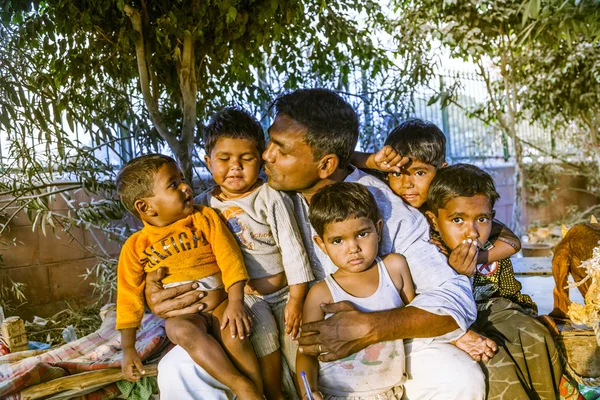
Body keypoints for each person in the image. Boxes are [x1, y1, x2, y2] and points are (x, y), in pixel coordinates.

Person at [147, 89, 484, 399]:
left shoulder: (384, 209)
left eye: (282, 150)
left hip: (380, 350)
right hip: (270, 341)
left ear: (326, 165)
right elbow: (180, 251)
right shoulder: (258, 195)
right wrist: (163, 293)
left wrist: (370, 326)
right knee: (179, 370)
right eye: (270, 143)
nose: (265, 156)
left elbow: (453, 300)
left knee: (457, 375)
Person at [115, 154, 263, 400]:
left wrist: (236, 303)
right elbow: (128, 297)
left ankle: (257, 392)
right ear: (145, 207)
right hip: (183, 316)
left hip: (220, 304)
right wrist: (128, 348)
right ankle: (240, 385)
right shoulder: (135, 246)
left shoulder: (203, 218)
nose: (185, 186)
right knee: (183, 332)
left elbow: (230, 259)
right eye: (173, 184)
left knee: (236, 335)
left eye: (182, 179)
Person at [196, 107, 314, 400]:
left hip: (286, 293)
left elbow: (293, 248)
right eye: (224, 159)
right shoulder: (202, 208)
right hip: (245, 298)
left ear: (260, 159)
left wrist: (298, 300)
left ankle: (304, 394)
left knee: (298, 347)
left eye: (246, 159)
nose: (235, 167)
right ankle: (272, 394)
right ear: (208, 160)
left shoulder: (270, 197)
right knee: (260, 337)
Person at [424, 164, 562, 399]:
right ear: (434, 221)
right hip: (454, 320)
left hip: (499, 310)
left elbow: (509, 296)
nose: (472, 232)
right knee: (494, 362)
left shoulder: (492, 248)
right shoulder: (428, 251)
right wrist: (456, 273)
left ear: (492, 219)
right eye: (457, 220)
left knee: (536, 336)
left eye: (482, 219)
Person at [298, 182, 415, 400]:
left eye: (362, 234)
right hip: (337, 394)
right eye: (338, 240)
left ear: (378, 230)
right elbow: (307, 351)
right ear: (322, 245)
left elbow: (415, 316)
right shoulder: (321, 294)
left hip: (389, 392)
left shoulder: (394, 269)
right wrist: (307, 390)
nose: (353, 248)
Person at [352, 118, 522, 267]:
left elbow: (512, 242)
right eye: (397, 173)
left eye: (420, 173)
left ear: (441, 170)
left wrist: (470, 258)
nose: (406, 183)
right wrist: (372, 160)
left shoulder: (446, 207)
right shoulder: (385, 194)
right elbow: (341, 159)